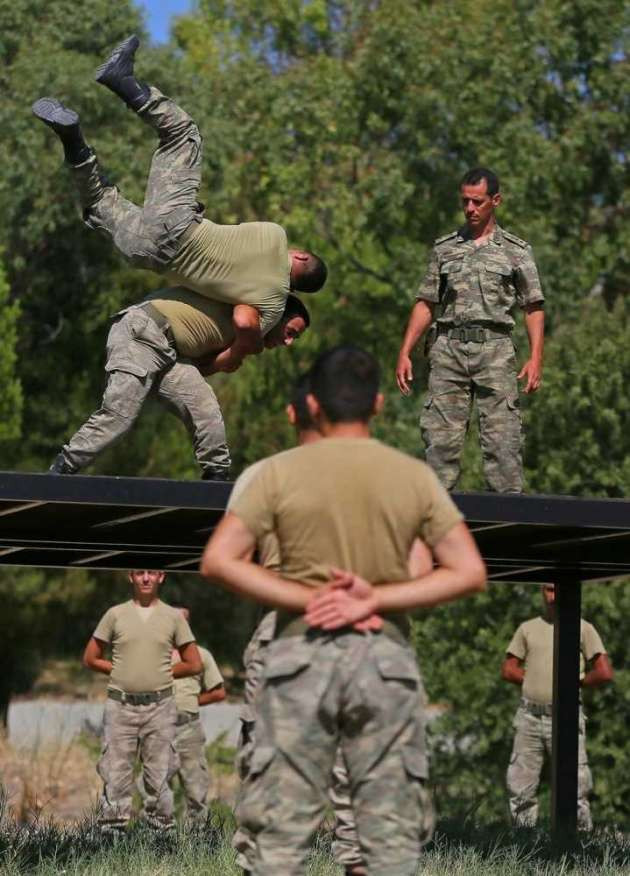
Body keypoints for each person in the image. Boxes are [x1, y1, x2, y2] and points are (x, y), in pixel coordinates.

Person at [201, 345, 487, 875]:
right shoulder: (412, 477)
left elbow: (219, 560)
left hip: (296, 653)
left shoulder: (274, 474)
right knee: (384, 840)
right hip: (384, 658)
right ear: (378, 404)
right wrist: (375, 597)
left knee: (276, 843)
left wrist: (308, 597)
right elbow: (467, 571)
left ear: (313, 405)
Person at [32, 34, 327, 355]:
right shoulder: (269, 309)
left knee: (182, 134)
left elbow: (228, 243)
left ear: (301, 256)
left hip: (177, 224)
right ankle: (72, 138)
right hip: (145, 254)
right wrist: (246, 349)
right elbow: (238, 309)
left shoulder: (274, 236)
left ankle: (122, 79)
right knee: (99, 200)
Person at [48, 288, 309, 478]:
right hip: (144, 332)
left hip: (172, 354)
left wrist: (232, 355)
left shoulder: (243, 338)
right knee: (119, 415)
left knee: (205, 408)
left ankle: (216, 477)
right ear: (277, 316)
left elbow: (205, 369)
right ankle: (62, 470)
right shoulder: (246, 302)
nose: (288, 342)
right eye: (290, 333)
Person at [396, 167, 545, 493]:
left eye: (477, 202)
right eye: (465, 201)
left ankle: (507, 526)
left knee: (502, 441)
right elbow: (425, 302)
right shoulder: (445, 248)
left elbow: (533, 307)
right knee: (440, 442)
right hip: (448, 348)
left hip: (495, 349)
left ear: (496, 200)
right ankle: (439, 521)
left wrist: (536, 358)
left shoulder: (516, 251)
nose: (469, 209)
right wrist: (405, 351)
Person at [83, 569, 201, 832]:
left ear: (162, 577)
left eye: (152, 573)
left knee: (158, 778)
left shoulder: (173, 617)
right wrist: (119, 670)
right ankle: (112, 841)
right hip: (120, 706)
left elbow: (194, 663)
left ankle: (160, 841)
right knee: (116, 776)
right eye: (140, 573)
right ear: (130, 577)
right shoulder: (115, 614)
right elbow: (90, 657)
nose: (145, 578)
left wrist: (162, 671)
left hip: (159, 707)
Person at [502, 583, 613, 830]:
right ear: (542, 591)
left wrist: (576, 681)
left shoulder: (583, 628)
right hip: (529, 715)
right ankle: (523, 845)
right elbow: (508, 669)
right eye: (549, 589)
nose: (553, 595)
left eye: (558, 590)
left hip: (566, 715)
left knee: (575, 787)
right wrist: (532, 679)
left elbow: (604, 672)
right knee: (520, 788)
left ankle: (580, 845)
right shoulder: (527, 628)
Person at [162, 607, 226, 822]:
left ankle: (197, 844)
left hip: (189, 727)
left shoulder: (202, 655)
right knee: (156, 790)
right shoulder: (155, 655)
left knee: (196, 790)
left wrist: (192, 702)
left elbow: (218, 692)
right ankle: (156, 842)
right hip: (159, 728)